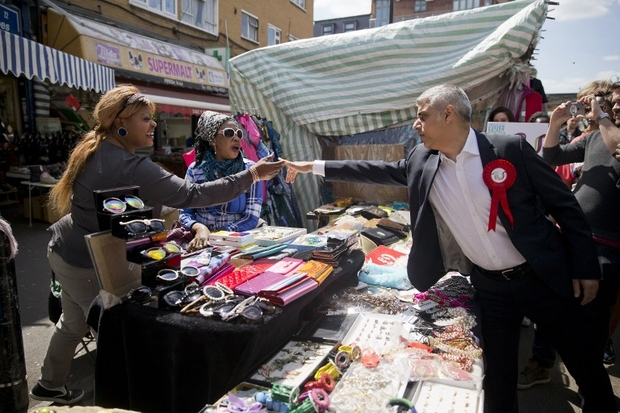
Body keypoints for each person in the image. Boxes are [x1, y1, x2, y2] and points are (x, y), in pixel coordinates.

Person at [284, 84, 616, 413]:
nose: (416, 124)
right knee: (498, 377)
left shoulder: (507, 150)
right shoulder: (422, 160)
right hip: (491, 288)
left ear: (448, 114)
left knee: (583, 361)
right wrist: (311, 166)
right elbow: (376, 170)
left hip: (542, 277)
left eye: (421, 115)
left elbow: (565, 206)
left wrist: (585, 267)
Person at [30, 84, 284, 404]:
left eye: (152, 118)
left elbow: (141, 204)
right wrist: (252, 175)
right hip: (85, 261)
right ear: (120, 122)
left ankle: (48, 383)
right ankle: (120, 401)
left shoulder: (97, 149)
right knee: (113, 331)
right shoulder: (129, 164)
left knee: (72, 323)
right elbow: (190, 196)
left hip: (65, 249)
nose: (153, 125)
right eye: (145, 118)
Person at [518, 81, 620, 389]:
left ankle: (594, 391)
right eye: (613, 102)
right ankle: (541, 363)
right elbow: (551, 156)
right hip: (571, 236)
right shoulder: (592, 139)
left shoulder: (609, 134)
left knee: (591, 323)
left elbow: (616, 145)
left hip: (607, 249)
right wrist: (555, 123)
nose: (614, 107)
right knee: (550, 307)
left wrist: (601, 117)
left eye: (618, 103)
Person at [178, 111, 264, 252]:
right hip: (200, 242)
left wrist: (219, 235)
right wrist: (200, 228)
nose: (237, 138)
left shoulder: (249, 170)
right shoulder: (195, 170)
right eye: (229, 133)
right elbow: (184, 212)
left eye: (239, 134)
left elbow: (251, 217)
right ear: (212, 140)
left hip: (237, 243)